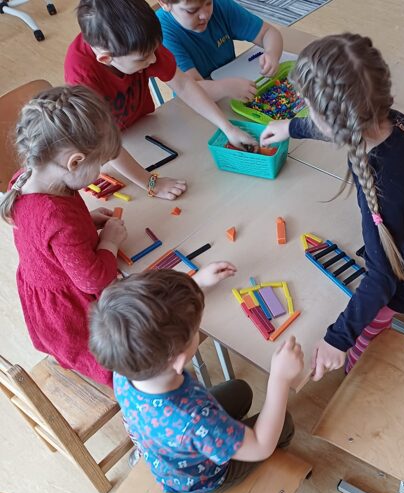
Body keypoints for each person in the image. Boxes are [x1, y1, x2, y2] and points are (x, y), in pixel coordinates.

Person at [260, 33, 404, 379]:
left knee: (397, 321)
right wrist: (293, 127)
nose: (308, 115)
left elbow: (381, 279)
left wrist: (338, 340)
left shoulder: (382, 186)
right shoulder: (393, 119)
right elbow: (347, 123)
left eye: (309, 109)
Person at [89, 270, 304, 493]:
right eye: (195, 329)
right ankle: (270, 469)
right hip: (204, 480)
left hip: (166, 446)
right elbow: (261, 445)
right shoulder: (195, 419)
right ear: (179, 360)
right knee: (284, 423)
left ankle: (228, 440)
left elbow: (152, 323)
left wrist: (195, 285)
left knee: (241, 390)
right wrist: (279, 379)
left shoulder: (125, 366)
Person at [65, 0, 255, 201]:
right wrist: (151, 183)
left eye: (154, 51)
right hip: (110, 147)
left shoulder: (141, 41)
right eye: (143, 59)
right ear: (106, 58)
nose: (153, 60)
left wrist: (228, 128)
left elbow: (183, 84)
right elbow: (106, 143)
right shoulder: (82, 76)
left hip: (144, 126)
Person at [0, 86, 125, 386]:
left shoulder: (25, 179)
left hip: (47, 294)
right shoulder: (56, 216)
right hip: (72, 318)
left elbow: (45, 238)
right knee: (124, 360)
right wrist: (109, 242)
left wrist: (86, 223)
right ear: (75, 162)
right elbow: (92, 280)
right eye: (99, 164)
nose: (100, 170)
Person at [157, 0, 283, 101]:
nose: (205, 15)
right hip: (197, 103)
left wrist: (272, 53)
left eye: (208, 3)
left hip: (233, 86)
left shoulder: (220, 4)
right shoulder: (161, 33)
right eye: (192, 10)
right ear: (164, 3)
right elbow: (190, 89)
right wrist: (225, 88)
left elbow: (268, 33)